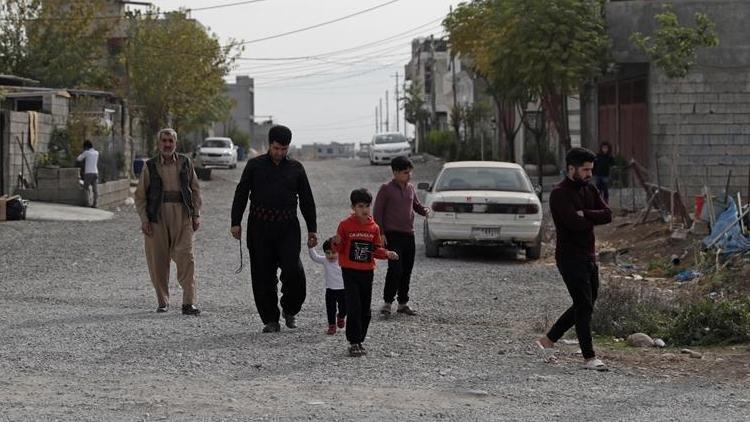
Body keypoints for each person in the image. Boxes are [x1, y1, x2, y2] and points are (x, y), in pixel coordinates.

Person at [230, 125, 318, 333]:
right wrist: (236, 222)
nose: (280, 153)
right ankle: (270, 319)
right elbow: (241, 194)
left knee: (293, 270)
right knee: (262, 274)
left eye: (284, 149)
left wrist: (312, 229)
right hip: (259, 228)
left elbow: (306, 200)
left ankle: (290, 309)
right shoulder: (254, 166)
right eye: (276, 148)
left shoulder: (296, 168)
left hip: (287, 227)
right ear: (269, 145)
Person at [536, 147, 612, 371]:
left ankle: (548, 340)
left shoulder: (589, 189)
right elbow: (574, 223)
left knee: (585, 303)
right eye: (585, 169)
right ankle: (589, 357)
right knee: (584, 304)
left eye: (591, 169)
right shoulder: (559, 194)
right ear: (571, 169)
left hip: (589, 255)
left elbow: (607, 214)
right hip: (569, 258)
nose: (589, 174)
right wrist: (587, 217)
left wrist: (586, 213)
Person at [134, 128, 202, 315]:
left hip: (182, 215)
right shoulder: (151, 166)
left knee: (186, 257)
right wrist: (145, 219)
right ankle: (162, 301)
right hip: (158, 216)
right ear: (159, 143)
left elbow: (195, 190)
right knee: (158, 260)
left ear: (175, 143)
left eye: (170, 141)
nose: (167, 144)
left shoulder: (185, 163)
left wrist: (196, 214)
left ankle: (189, 302)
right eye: (164, 141)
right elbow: (140, 196)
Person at [332, 188, 398, 357]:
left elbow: (376, 249)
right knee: (354, 306)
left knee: (365, 309)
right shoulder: (345, 225)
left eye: (367, 206)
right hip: (349, 271)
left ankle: (360, 339)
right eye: (360, 206)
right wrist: (336, 242)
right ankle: (353, 342)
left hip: (367, 272)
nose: (364, 209)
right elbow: (337, 248)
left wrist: (387, 253)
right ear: (353, 207)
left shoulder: (374, 227)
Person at [373, 155, 429, 316]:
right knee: (395, 269)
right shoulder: (386, 189)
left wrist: (425, 211)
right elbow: (378, 212)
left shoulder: (411, 188)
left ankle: (403, 303)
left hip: (408, 235)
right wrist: (381, 233)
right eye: (405, 172)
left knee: (406, 270)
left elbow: (416, 205)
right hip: (392, 235)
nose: (409, 175)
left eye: (410, 172)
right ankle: (387, 302)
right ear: (395, 172)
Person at [308, 238, 346, 335]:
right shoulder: (325, 260)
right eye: (328, 253)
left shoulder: (343, 259)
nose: (330, 256)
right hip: (330, 290)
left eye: (333, 252)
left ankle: (341, 316)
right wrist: (311, 248)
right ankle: (332, 325)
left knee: (344, 307)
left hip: (343, 289)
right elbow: (315, 257)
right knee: (330, 309)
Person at [76, 140, 99, 208]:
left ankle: (88, 203)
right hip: (95, 172)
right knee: (95, 190)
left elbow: (78, 159)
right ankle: (95, 204)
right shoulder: (96, 153)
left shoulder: (86, 152)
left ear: (86, 147)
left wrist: (82, 153)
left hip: (88, 173)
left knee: (85, 188)